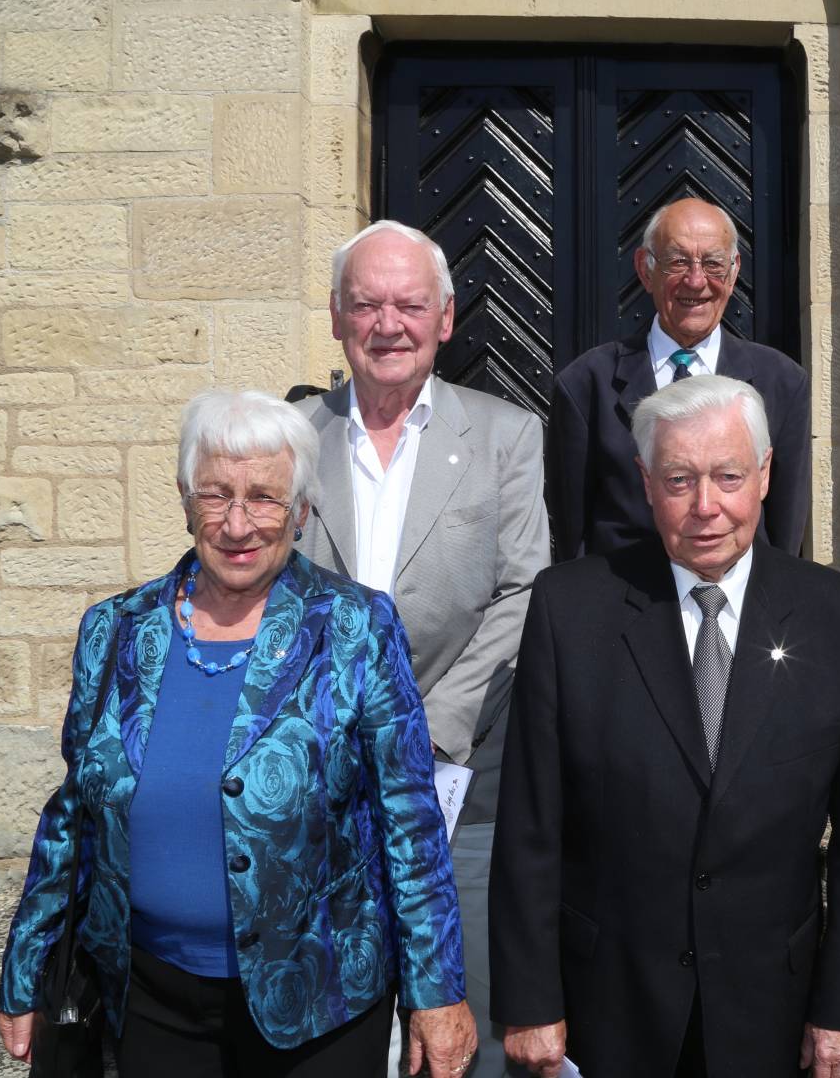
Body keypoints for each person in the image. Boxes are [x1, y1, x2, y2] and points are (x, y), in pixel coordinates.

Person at [0, 389, 477, 1078]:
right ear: (185, 499)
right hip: (152, 998)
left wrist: (437, 991)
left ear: (302, 511)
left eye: (264, 497)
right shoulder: (116, 629)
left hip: (320, 1002)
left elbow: (409, 823)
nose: (238, 522)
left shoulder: (355, 627)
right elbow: (73, 815)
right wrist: (27, 967)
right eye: (216, 494)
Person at [494, 376, 840, 1078]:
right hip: (609, 1005)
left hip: (774, 1008)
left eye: (728, 476)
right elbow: (530, 826)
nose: (705, 507)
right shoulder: (570, 610)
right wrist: (529, 1001)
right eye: (678, 479)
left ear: (765, 474)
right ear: (645, 482)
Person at [294, 220, 549, 1078]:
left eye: (409, 304)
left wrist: (429, 724)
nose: (388, 323)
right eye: (367, 303)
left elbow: (523, 590)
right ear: (336, 317)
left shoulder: (509, 436)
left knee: (453, 1029)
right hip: (312, 781)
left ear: (445, 317)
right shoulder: (290, 434)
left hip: (460, 775)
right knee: (328, 1022)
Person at [546, 196, 811, 559]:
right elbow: (571, 535)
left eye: (714, 264)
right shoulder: (585, 385)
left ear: (734, 273)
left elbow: (785, 535)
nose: (696, 280)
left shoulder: (782, 383)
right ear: (645, 269)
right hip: (620, 607)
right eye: (677, 261)